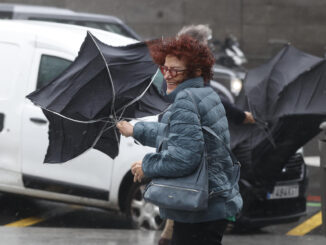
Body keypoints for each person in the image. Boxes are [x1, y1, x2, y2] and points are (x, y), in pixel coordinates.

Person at [117, 35, 242, 245]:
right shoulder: (205, 94)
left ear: (196, 71)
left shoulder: (185, 100)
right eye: (165, 68)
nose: (167, 75)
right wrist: (136, 130)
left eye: (175, 70)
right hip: (212, 203)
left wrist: (148, 166)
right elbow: (178, 134)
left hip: (199, 207)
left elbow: (184, 157)